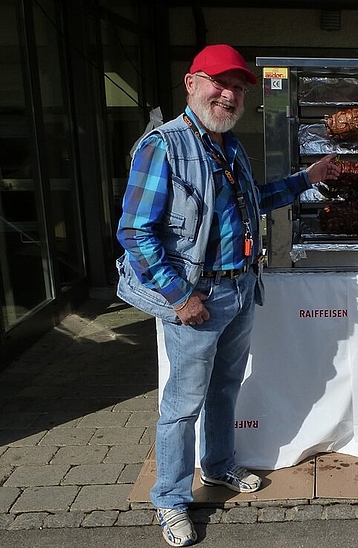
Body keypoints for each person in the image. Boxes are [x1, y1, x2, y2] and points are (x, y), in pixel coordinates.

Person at [115, 44, 339, 546]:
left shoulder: (227, 142)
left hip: (239, 287)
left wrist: (306, 180)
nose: (229, 94)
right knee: (181, 405)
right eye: (220, 83)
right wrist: (178, 296)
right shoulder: (163, 146)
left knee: (224, 390)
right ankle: (171, 501)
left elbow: (250, 201)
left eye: (237, 87)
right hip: (198, 298)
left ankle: (217, 467)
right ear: (192, 82)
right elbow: (135, 233)